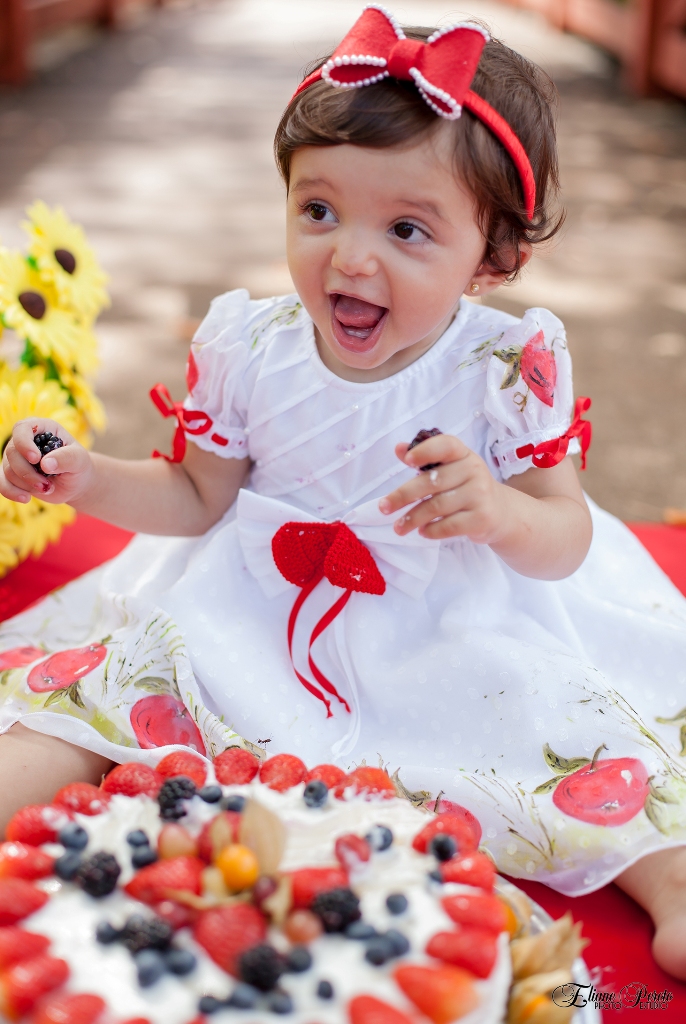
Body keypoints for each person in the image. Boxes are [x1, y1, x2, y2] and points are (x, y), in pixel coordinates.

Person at [2, 5, 686, 978]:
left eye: (406, 229)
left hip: (447, 605)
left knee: (549, 725)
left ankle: (670, 876)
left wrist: (500, 512)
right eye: (318, 210)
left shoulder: (503, 365)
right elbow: (196, 496)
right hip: (256, 595)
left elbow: (564, 530)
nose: (350, 257)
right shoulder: (250, 345)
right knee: (123, 681)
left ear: (494, 256)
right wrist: (86, 477)